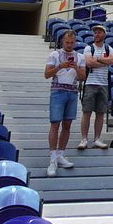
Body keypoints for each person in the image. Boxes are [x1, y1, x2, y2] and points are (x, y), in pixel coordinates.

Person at [44, 29, 86, 177]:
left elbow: (82, 76)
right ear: (63, 41)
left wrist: (75, 67)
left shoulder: (79, 57)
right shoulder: (54, 55)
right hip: (58, 90)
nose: (69, 45)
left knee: (67, 123)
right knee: (55, 123)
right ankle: (52, 157)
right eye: (67, 42)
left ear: (75, 42)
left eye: (72, 42)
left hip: (72, 91)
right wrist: (60, 66)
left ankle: (60, 154)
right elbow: (47, 74)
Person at [77, 24, 113, 149]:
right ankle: (84, 139)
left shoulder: (109, 48)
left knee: (100, 113)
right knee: (86, 112)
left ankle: (97, 139)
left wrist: (97, 60)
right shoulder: (89, 48)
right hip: (90, 83)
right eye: (95, 32)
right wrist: (104, 62)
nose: (97, 35)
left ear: (104, 34)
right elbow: (88, 62)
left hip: (103, 84)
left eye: (99, 32)